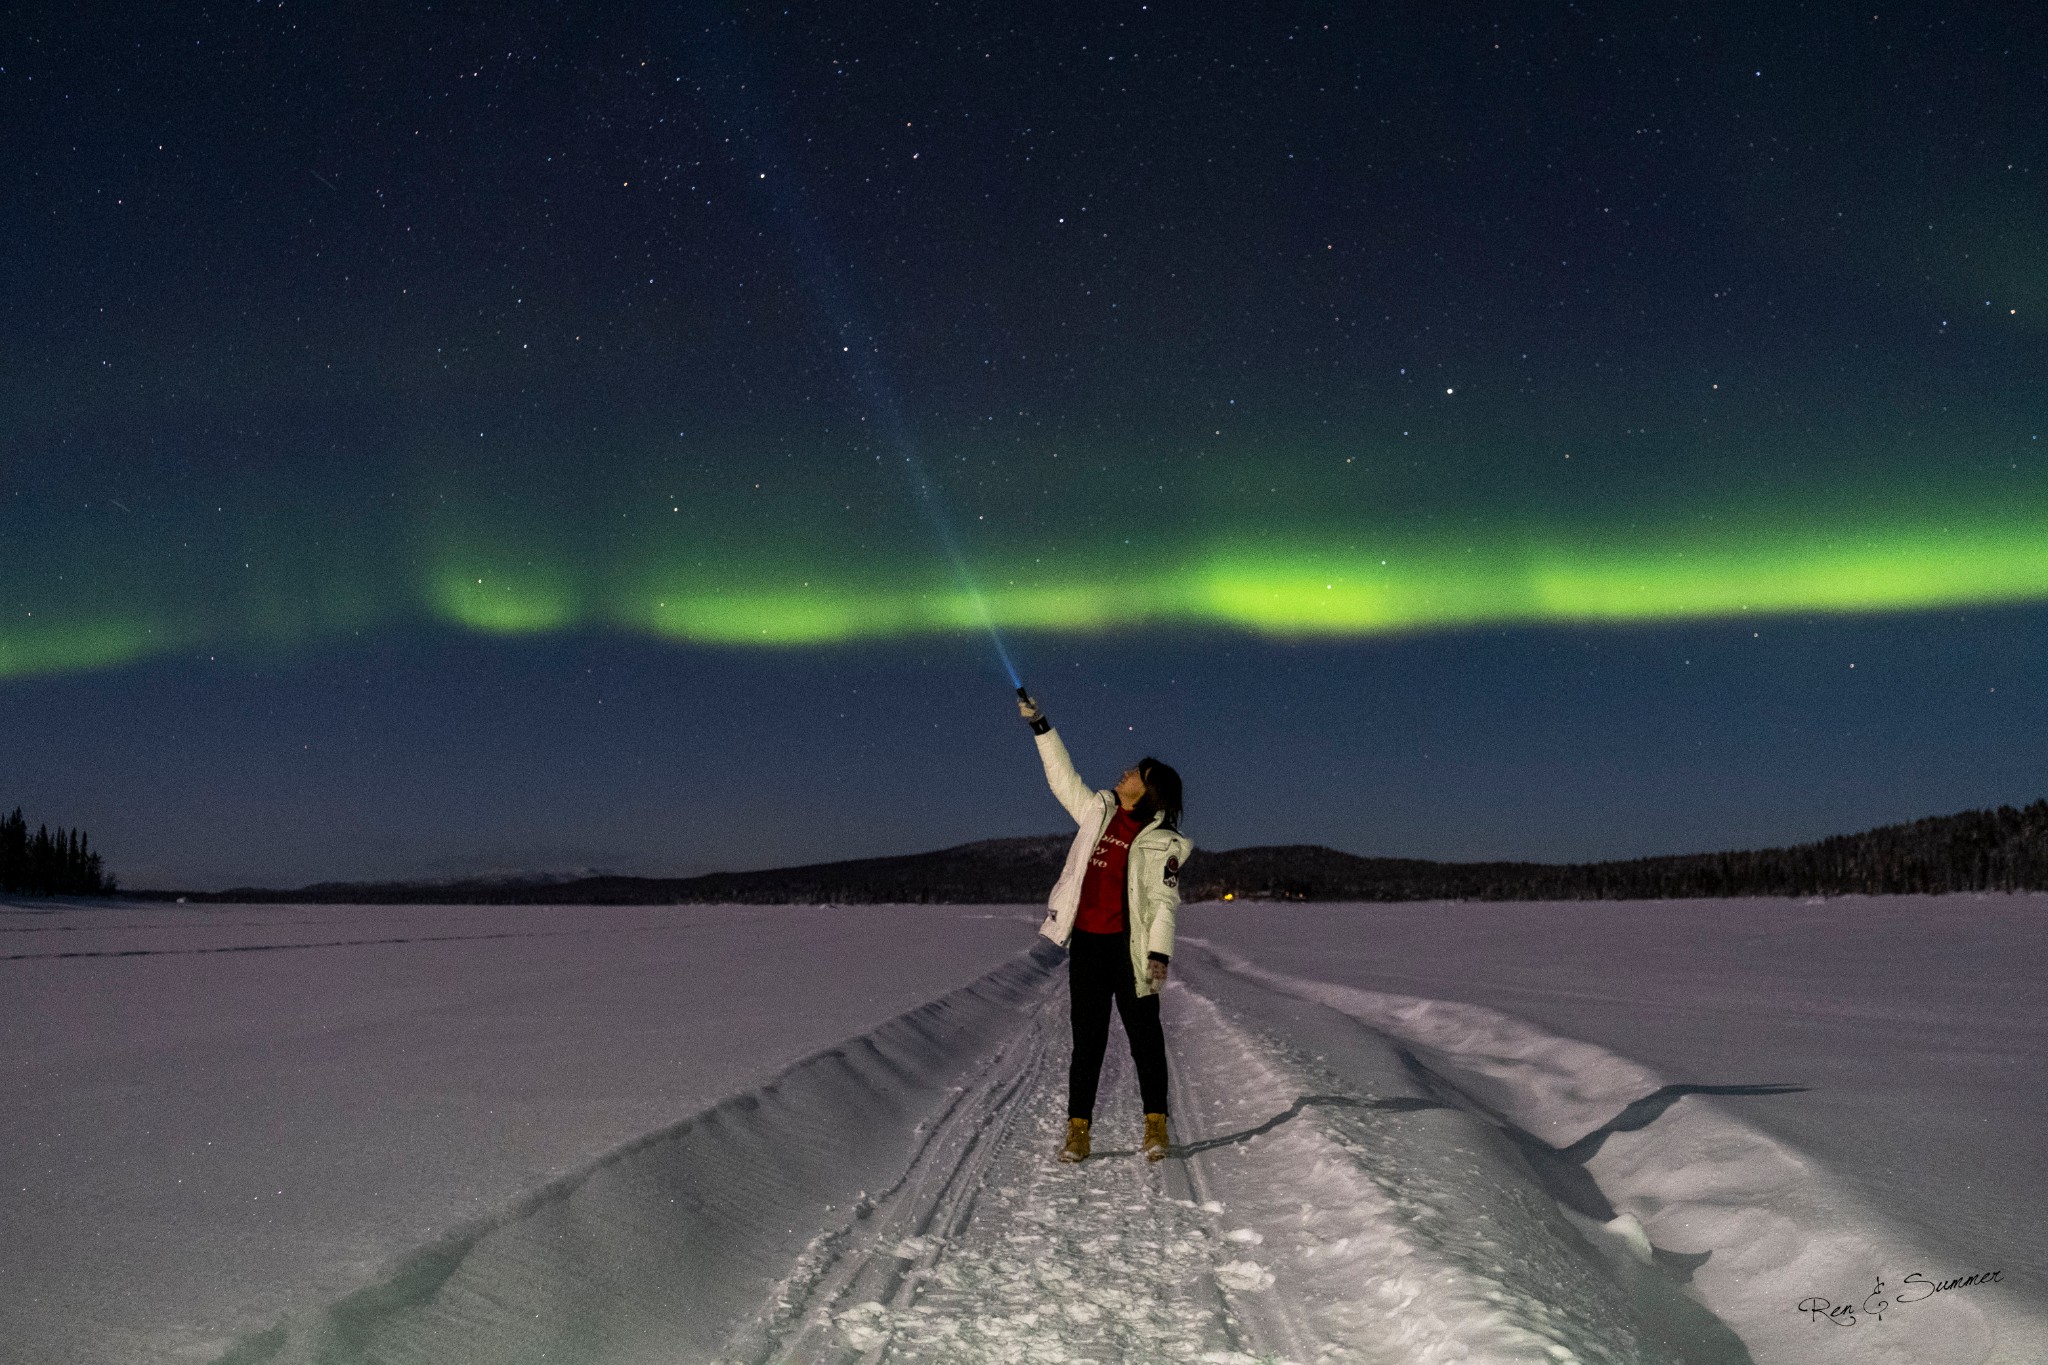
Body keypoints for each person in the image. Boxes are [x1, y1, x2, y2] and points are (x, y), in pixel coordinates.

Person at [1018, 691, 1191, 1163]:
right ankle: (1079, 1131)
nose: (1125, 772)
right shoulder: (1097, 811)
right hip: (1089, 948)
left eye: (1137, 772)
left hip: (1131, 952)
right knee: (1087, 1042)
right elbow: (1062, 779)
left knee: (1145, 1041)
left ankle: (1155, 1125)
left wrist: (1159, 955)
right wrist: (1041, 726)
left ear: (1150, 790)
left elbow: (1163, 902)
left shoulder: (1165, 843)